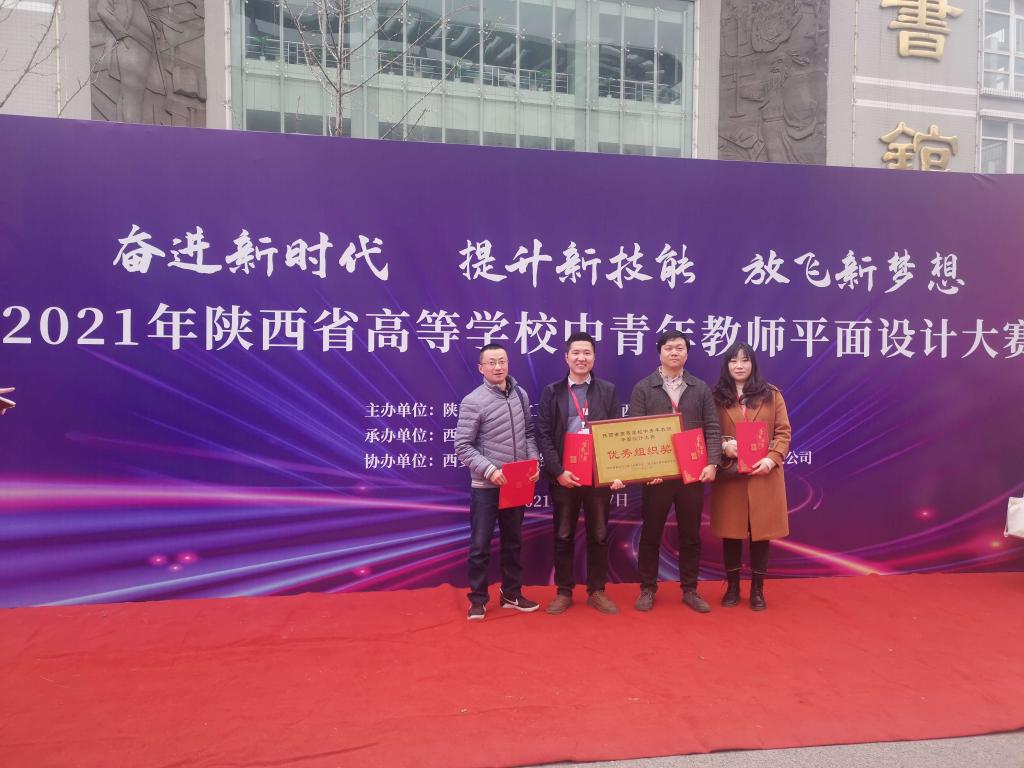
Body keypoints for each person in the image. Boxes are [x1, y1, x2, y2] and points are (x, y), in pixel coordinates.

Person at [629, 331, 721, 613]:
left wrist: (712, 463)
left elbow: (712, 427)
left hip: (691, 474)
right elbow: (634, 431)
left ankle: (690, 589)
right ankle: (647, 588)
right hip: (657, 476)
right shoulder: (644, 387)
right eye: (669, 348)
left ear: (687, 354)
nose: (674, 352)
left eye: (680, 348)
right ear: (659, 352)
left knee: (690, 535)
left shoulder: (700, 387)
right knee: (651, 534)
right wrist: (646, 469)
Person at [537, 332, 624, 615]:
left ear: (594, 357)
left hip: (598, 477)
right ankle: (564, 591)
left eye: (587, 353)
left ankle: (597, 590)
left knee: (599, 535)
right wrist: (558, 471)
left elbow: (616, 432)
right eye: (576, 353)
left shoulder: (607, 390)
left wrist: (613, 472)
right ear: (566, 357)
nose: (581, 358)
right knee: (563, 535)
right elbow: (543, 435)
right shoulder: (552, 392)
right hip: (565, 478)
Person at [454, 343, 541, 621]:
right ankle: (478, 599)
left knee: (513, 543)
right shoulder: (473, 401)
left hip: (515, 484)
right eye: (491, 362)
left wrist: (533, 461)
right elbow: (462, 446)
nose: (498, 367)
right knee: (480, 546)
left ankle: (511, 594)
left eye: (502, 361)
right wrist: (490, 470)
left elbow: (529, 433)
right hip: (486, 487)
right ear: (481, 368)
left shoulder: (520, 394)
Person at [711, 342, 791, 611]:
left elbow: (783, 432)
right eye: (733, 361)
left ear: (753, 364)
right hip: (730, 476)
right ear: (726, 365)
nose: (739, 366)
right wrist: (724, 447)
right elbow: (707, 433)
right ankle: (732, 587)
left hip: (763, 475)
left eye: (744, 360)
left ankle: (758, 589)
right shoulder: (715, 397)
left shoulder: (771, 395)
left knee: (761, 534)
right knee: (731, 533)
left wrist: (771, 459)